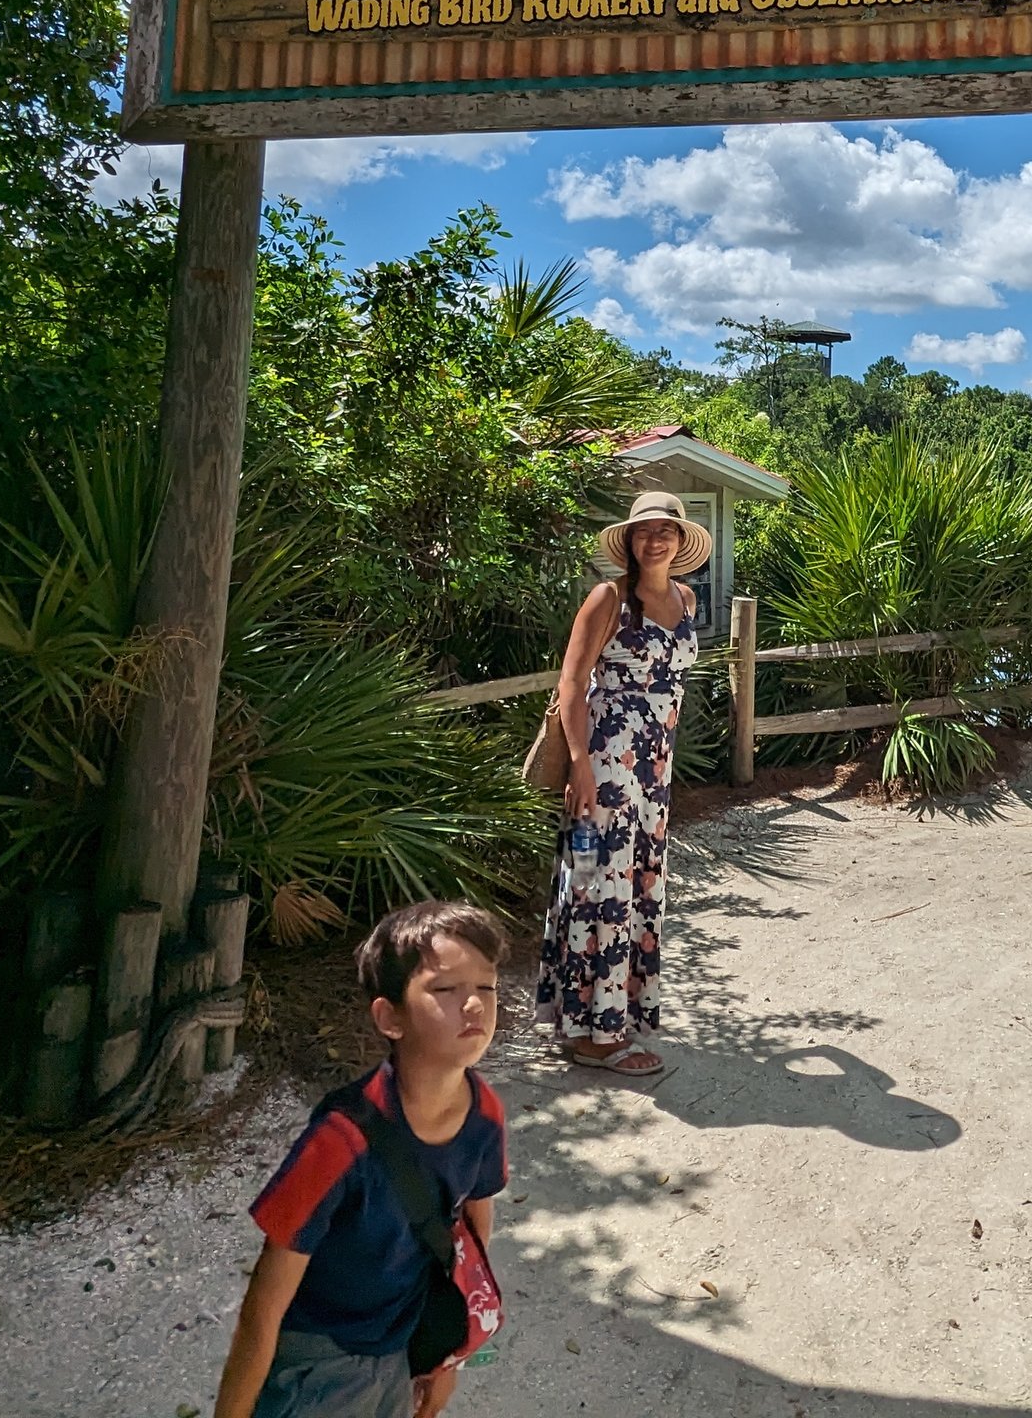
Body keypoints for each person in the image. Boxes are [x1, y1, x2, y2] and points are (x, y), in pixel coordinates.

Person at [215, 900, 508, 1418]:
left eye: (486, 986)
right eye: (446, 989)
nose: (474, 1005)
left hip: (397, 1348)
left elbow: (471, 1236)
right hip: (320, 1362)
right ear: (389, 1016)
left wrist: (450, 1360)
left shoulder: (485, 1114)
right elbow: (264, 1306)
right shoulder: (339, 1142)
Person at [534, 488, 707, 1078]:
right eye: (643, 531)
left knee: (635, 883)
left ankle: (602, 1017)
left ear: (681, 542)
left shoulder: (684, 598)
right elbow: (571, 685)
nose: (654, 540)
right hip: (606, 761)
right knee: (595, 882)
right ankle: (595, 1038)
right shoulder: (610, 597)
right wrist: (580, 765)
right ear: (629, 541)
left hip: (655, 765)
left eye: (666, 531)